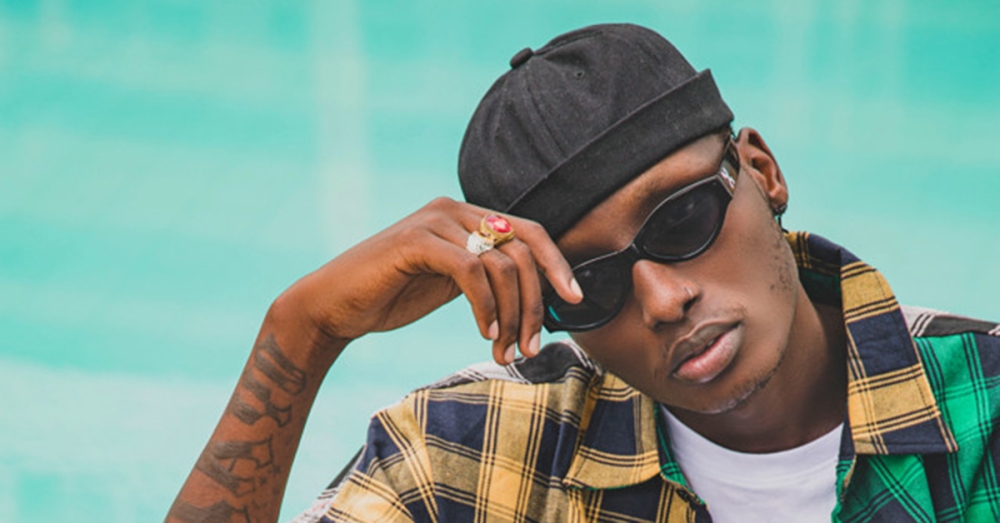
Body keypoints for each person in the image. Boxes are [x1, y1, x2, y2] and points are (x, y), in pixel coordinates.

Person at [167, 23, 1000, 523]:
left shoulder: (985, 411)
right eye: (590, 284)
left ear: (762, 171)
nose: (663, 300)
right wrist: (302, 332)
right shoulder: (470, 456)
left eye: (682, 220)